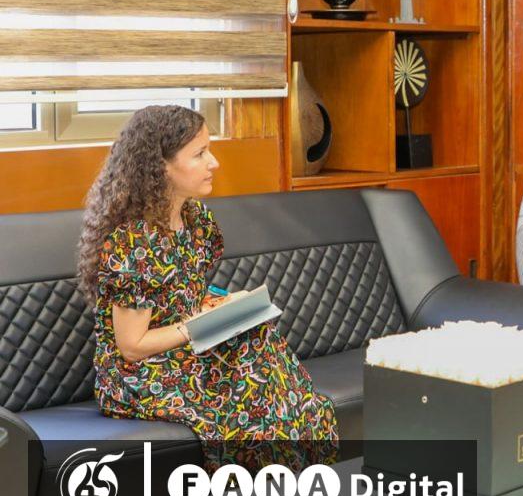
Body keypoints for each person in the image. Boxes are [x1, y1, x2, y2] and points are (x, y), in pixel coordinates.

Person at [77, 105, 338, 467]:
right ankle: (261, 481)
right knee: (251, 385)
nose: (213, 163)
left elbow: (184, 294)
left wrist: (222, 305)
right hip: (140, 376)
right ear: (161, 167)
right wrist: (197, 325)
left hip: (186, 351)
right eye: (199, 154)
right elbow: (132, 347)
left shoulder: (196, 219)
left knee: (261, 343)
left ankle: (302, 473)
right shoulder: (133, 243)